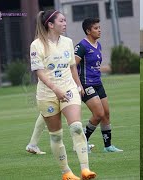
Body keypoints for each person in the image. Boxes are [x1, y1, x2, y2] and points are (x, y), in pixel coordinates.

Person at [30, 9, 96, 180]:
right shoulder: (36, 45)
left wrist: (78, 85)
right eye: (61, 21)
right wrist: (55, 89)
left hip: (68, 89)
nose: (65, 23)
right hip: (47, 95)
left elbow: (72, 66)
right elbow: (40, 73)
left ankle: (85, 169)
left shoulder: (67, 41)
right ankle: (66, 173)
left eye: (65, 21)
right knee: (56, 136)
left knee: (76, 127)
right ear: (50, 25)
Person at [74, 18, 123, 152]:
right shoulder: (81, 46)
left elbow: (94, 66)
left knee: (106, 113)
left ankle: (108, 146)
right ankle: (81, 142)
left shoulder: (98, 45)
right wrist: (78, 85)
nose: (99, 30)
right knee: (98, 114)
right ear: (88, 31)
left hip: (98, 83)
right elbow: (72, 66)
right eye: (96, 28)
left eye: (99, 27)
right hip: (85, 84)